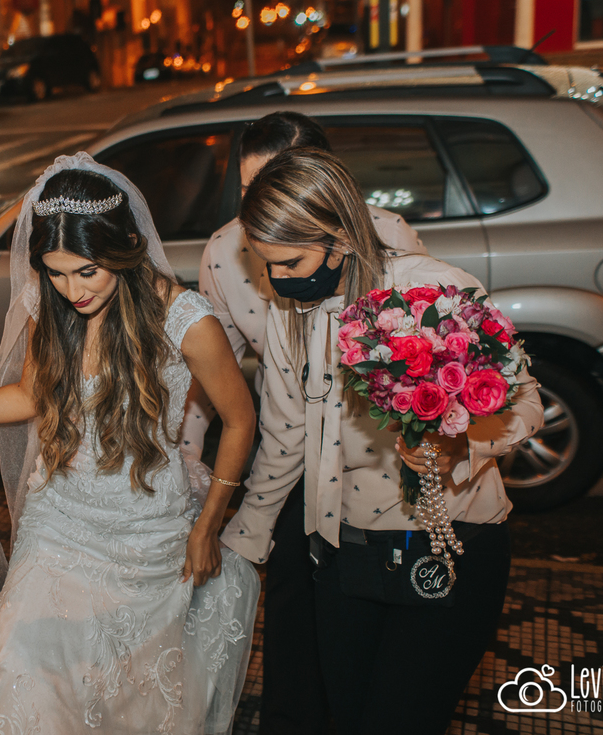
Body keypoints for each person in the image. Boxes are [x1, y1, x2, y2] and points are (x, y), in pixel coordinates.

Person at [0, 153, 261, 734]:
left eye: (86, 271)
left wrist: (207, 526)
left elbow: (240, 420)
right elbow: (30, 395)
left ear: (124, 248)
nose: (70, 289)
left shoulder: (185, 320)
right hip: (57, 520)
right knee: (13, 666)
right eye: (55, 272)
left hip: (145, 533)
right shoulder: (53, 308)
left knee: (125, 701)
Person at [219, 147, 543, 735]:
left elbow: (524, 402)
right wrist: (240, 543)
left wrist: (456, 443)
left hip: (447, 544)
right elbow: (285, 438)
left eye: (289, 261)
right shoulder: (293, 312)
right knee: (348, 715)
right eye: (265, 265)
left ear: (340, 235)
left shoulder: (436, 290)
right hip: (342, 554)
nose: (277, 280)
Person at [180, 111, 425, 735]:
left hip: (374, 448)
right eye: (249, 189)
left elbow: (423, 351)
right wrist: (189, 465)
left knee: (374, 624)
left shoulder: (390, 237)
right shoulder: (224, 251)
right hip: (285, 443)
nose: (264, 208)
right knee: (291, 606)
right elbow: (214, 370)